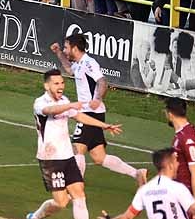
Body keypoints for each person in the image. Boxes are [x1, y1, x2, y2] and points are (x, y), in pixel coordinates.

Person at [26, 69, 123, 219]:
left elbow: (79, 116)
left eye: (62, 83)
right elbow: (51, 110)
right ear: (46, 85)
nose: (60, 86)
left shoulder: (64, 101)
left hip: (67, 156)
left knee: (79, 193)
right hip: (50, 159)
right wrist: (73, 105)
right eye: (56, 83)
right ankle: (34, 218)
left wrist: (104, 125)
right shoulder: (40, 103)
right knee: (61, 202)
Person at [51, 34, 147, 186]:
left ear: (75, 48)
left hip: (90, 112)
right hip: (94, 112)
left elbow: (102, 82)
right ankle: (137, 173)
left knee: (77, 148)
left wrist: (98, 99)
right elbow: (69, 70)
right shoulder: (79, 63)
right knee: (98, 156)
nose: (65, 50)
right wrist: (58, 53)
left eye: (66, 48)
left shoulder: (89, 63)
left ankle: (76, 186)